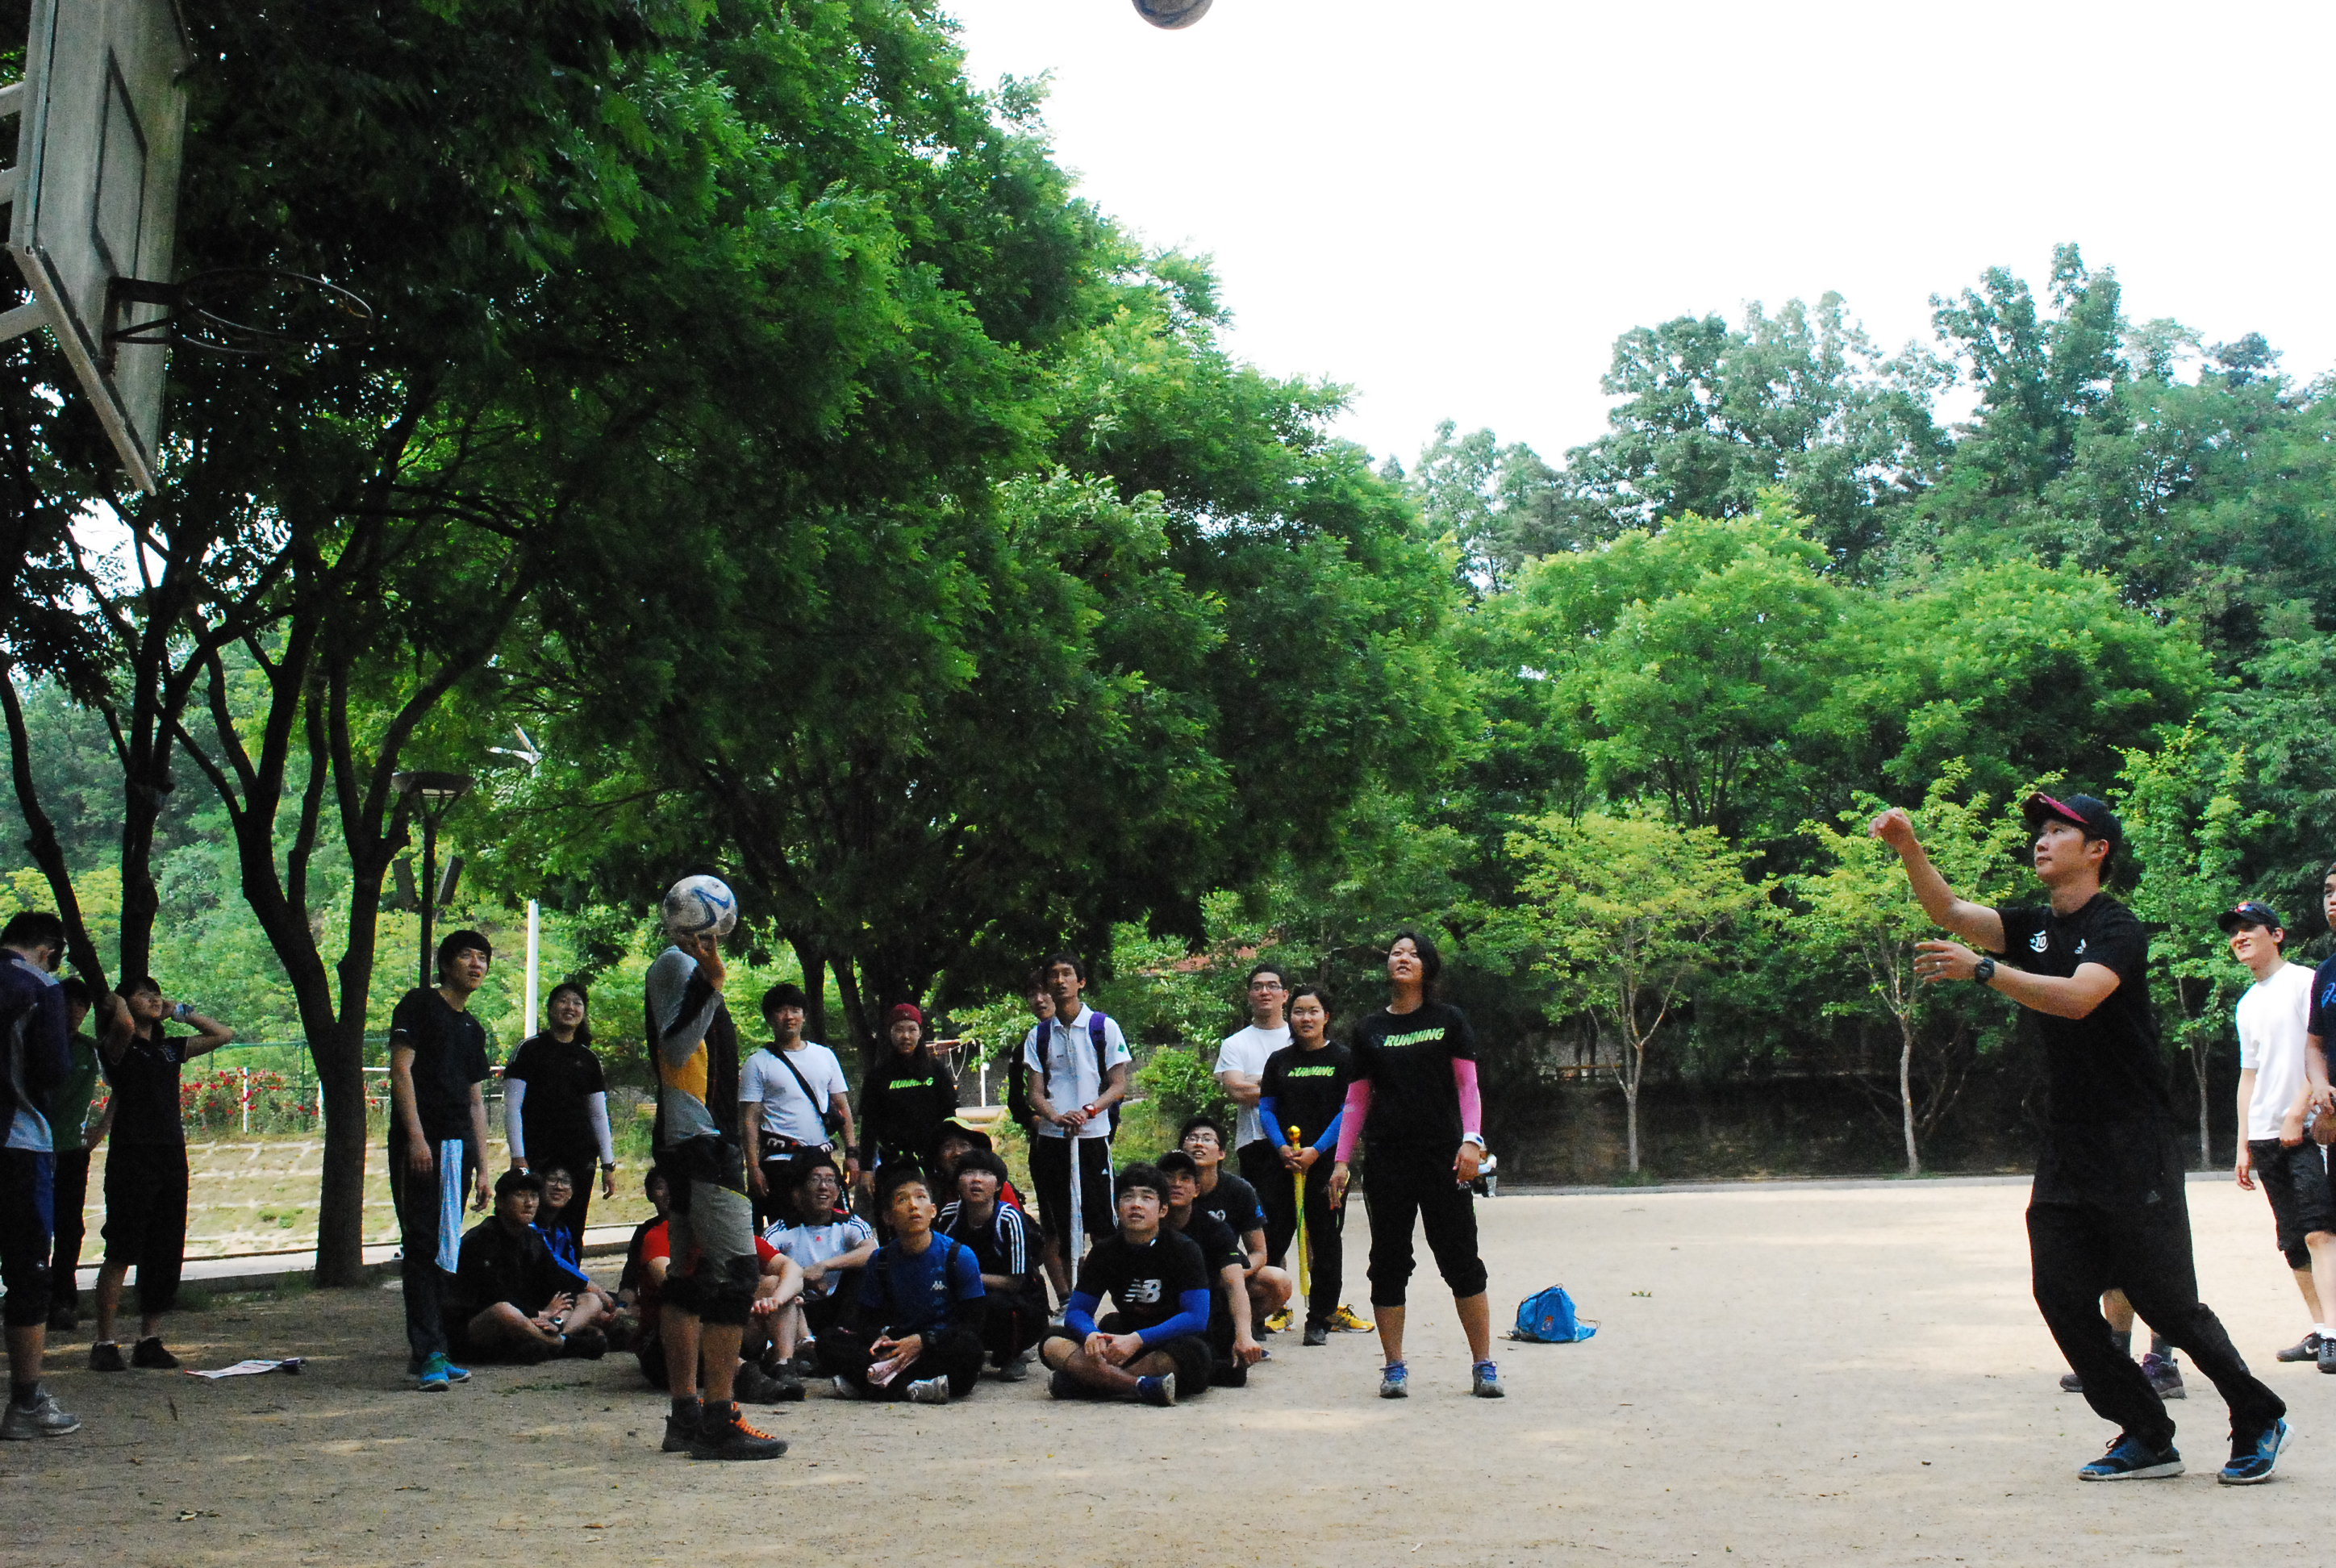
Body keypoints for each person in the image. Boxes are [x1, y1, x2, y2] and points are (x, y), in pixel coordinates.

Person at [1874, 792, 2287, 1483]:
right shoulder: (2034, 925)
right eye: (2039, 830)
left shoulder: (2116, 926)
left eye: (2058, 830)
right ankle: (2146, 1434)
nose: (2041, 840)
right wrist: (1909, 847)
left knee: (2164, 1301)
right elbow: (1950, 913)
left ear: (2097, 850)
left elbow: (2077, 997)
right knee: (2061, 1293)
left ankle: (2258, 1414)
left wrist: (1984, 970)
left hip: (2134, 1137)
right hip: (2069, 1140)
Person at [1328, 930, 1501, 1400]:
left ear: (1427, 966)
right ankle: (1394, 1366)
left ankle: (1484, 1364)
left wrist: (1472, 1141)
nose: (1402, 958)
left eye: (1412, 953)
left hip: (1445, 1158)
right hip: (1388, 1160)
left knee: (1460, 1258)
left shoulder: (1448, 1019)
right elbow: (1356, 1101)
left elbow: (1467, 1087)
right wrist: (1342, 1161)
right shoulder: (1369, 1030)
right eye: (1395, 953)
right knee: (1388, 1262)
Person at [646, 917, 786, 1458]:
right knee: (737, 1274)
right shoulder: (675, 966)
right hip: (701, 1142)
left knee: (690, 1277)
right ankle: (719, 1419)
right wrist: (711, 981)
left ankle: (685, 1416)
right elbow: (676, 1049)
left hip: (693, 1139)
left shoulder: (685, 969)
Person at [90, 974, 233, 1372]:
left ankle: (149, 1339)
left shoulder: (170, 1049)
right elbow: (122, 1023)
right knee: (122, 1248)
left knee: (164, 1248)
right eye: (143, 994)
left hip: (170, 1153)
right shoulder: (118, 1045)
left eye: (156, 993)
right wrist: (117, 1001)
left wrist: (180, 1012)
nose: (153, 999)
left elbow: (223, 1034)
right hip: (132, 1154)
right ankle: (105, 1341)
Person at [386, 930, 495, 1393]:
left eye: (483, 958)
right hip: (423, 1143)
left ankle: (435, 1350)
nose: (476, 964)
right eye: (467, 956)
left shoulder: (473, 1028)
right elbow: (401, 1070)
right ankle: (429, 1350)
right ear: (447, 963)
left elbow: (476, 1101)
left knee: (446, 1247)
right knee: (421, 1243)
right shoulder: (419, 1005)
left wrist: (485, 1168)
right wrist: (416, 1138)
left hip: (458, 1148)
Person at [2228, 901, 2330, 1365]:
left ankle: (2335, 1332)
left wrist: (2298, 1112)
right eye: (2234, 931)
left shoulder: (2306, 982)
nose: (2240, 937)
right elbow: (2249, 1076)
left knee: (2320, 1231)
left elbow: (2320, 1051)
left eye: (2250, 928)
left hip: (2306, 1130)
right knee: (2292, 1241)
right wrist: (2243, 1143)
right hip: (2266, 1135)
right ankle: (2322, 1329)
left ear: (2277, 934)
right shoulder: (2247, 1003)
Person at [0, 911, 81, 1439]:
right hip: (17, 1144)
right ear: (49, 950)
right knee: (28, 1271)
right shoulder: (39, 987)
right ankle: (26, 1402)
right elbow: (53, 1070)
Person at [1038, 1163, 1212, 1405]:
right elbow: (1077, 1311)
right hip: (1120, 1340)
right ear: (1117, 1206)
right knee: (1052, 1340)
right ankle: (1138, 1386)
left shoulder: (1185, 1249)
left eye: (1147, 1198)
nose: (1136, 1205)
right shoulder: (1104, 1251)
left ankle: (1088, 1383)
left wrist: (1138, 1339)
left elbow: (1196, 1317)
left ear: (1163, 1209)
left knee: (1193, 1352)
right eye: (1128, 1197)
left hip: (1165, 1341)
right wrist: (1091, 1335)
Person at [627, 1178, 805, 1402]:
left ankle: (784, 1365)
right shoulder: (659, 1236)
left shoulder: (731, 1235)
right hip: (667, 1347)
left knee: (775, 1285)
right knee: (689, 1301)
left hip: (729, 1333)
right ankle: (743, 1374)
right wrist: (740, 1303)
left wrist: (775, 1300)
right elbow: (672, 1285)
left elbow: (793, 1270)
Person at [1257, 982, 1367, 1345]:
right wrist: (1281, 1148)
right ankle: (1259, 1312)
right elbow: (1267, 1109)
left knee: (1326, 1239)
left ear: (1326, 1017)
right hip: (1284, 1164)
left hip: (1327, 1166)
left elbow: (1348, 1110)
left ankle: (1320, 1317)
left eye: (1313, 1011)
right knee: (1272, 1237)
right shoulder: (1279, 1061)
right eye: (1299, 1011)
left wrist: (1317, 1150)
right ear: (1290, 1016)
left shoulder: (1344, 1059)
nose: (1306, 1018)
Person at [825, 1167, 987, 1404]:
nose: (913, 1206)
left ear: (933, 1210)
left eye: (921, 1197)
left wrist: (923, 1342)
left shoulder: (958, 1256)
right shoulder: (880, 1260)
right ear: (888, 1217)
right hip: (896, 1343)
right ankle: (911, 1388)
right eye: (902, 1199)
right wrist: (880, 1339)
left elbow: (973, 1324)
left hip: (937, 1344)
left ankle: (874, 1384)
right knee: (829, 1341)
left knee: (969, 1350)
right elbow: (867, 1319)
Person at [1023, 952, 1129, 1301]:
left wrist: (1089, 1111)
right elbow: (1035, 1092)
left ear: (1080, 981)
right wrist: (1056, 1117)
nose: (1060, 981)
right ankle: (1072, 1300)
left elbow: (1118, 1084)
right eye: (1053, 975)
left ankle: (1117, 1296)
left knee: (1103, 1222)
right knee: (1064, 1224)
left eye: (1067, 973)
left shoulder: (1103, 1027)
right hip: (1053, 1140)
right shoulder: (1038, 1035)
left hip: (1093, 1137)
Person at [446, 1170, 609, 1363]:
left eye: (534, 1196)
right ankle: (563, 1345)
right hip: (478, 1325)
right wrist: (540, 1314)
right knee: (504, 1311)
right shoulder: (480, 1240)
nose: (529, 1203)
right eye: (520, 1195)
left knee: (590, 1300)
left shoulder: (532, 1238)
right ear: (500, 1202)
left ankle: (549, 1339)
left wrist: (556, 1320)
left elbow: (562, 1285)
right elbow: (491, 1296)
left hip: (531, 1318)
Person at [503, 981, 618, 1241]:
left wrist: (608, 1164)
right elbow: (512, 1107)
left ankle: (569, 1268)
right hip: (538, 1155)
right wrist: (518, 1156)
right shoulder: (528, 1050)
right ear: (550, 1008)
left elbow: (599, 1115)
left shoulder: (588, 1059)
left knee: (573, 1228)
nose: (570, 1007)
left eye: (577, 1003)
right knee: (533, 1226)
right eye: (564, 1001)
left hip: (579, 1158)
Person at [739, 983, 856, 1227]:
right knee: (786, 1230)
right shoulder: (757, 1063)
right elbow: (750, 1119)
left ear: (804, 1016)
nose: (789, 1017)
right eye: (781, 1011)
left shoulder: (825, 1056)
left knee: (834, 1227)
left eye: (795, 1010)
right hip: (779, 1162)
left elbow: (842, 1106)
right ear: (770, 1018)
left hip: (821, 1159)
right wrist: (753, 1167)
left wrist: (852, 1153)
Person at [1158, 1149, 1265, 1386]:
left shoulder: (1216, 1230)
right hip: (1152, 1314)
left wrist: (1244, 1335)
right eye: (1168, 1177)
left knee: (1233, 1373)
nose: (1176, 1184)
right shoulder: (1144, 1228)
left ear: (1196, 1189)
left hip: (1203, 1316)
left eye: (1185, 1178)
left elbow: (1235, 1285)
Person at [936, 1149, 1046, 1378]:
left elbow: (1016, 1282)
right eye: (968, 1173)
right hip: (964, 1293)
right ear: (957, 1182)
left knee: (998, 1304)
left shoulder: (1009, 1219)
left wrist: (971, 1278)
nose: (976, 1180)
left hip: (1013, 1299)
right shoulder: (948, 1216)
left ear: (998, 1185)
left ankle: (1012, 1355)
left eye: (985, 1173)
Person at [47, 977, 115, 1332]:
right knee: (30, 1225)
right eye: (68, 1004)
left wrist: (103, 1126)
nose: (74, 1012)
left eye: (81, 1005)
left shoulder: (91, 1050)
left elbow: (123, 1084)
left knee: (70, 1226)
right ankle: (28, 1293)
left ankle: (63, 1299)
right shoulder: (37, 1043)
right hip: (33, 1148)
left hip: (72, 1150)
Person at [1178, 1116, 1291, 1332]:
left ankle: (1233, 1330)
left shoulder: (1240, 1190)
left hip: (1223, 1272)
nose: (1198, 1144)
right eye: (1192, 1138)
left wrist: (1233, 1275)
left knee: (1278, 1280)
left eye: (1207, 1139)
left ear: (1222, 1153)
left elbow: (1259, 1253)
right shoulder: (1166, 1186)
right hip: (1178, 1276)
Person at [763, 1153, 877, 1366]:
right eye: (815, 1180)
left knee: (864, 1272)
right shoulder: (780, 1230)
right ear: (798, 1193)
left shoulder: (850, 1223)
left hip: (839, 1308)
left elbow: (871, 1251)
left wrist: (824, 1266)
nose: (823, 1187)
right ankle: (798, 1349)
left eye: (830, 1180)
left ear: (837, 1192)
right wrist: (803, 1279)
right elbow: (762, 1267)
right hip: (797, 1307)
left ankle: (844, 1339)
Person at [856, 1003, 958, 1205]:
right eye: (899, 1030)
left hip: (933, 1162)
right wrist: (866, 1169)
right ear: (890, 1033)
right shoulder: (877, 1076)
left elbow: (950, 1118)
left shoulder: (936, 1071)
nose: (906, 1036)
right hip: (894, 1164)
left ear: (920, 1033)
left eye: (912, 1030)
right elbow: (869, 1126)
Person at [1214, 963, 1292, 1228]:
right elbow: (1236, 1089)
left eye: (1272, 986)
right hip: (1256, 1144)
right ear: (1249, 995)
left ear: (1285, 995)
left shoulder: (1300, 1037)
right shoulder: (1235, 1043)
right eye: (1257, 987)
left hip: (1303, 1142)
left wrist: (1257, 1080)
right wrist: (1289, 1085)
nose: (1264, 992)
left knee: (1311, 1226)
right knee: (1267, 1229)